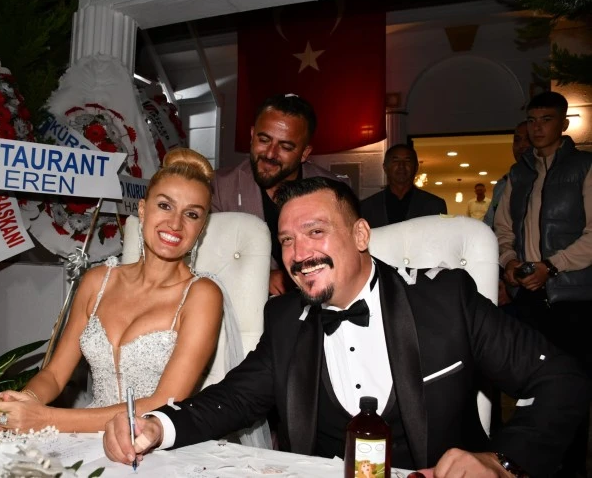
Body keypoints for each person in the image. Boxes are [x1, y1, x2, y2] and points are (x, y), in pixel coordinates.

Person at [103, 176, 590, 477]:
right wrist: (156, 426)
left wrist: (501, 463)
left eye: (316, 232)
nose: (299, 254)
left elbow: (561, 380)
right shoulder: (285, 320)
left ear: (360, 234)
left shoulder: (445, 300)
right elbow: (232, 399)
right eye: (287, 241)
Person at [0, 148, 224, 434]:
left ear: (201, 228)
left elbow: (162, 403)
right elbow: (55, 375)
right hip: (82, 433)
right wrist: (24, 401)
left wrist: (44, 419)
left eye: (191, 214)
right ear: (142, 210)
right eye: (165, 206)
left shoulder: (202, 296)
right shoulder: (98, 282)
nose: (175, 223)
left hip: (148, 442)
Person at [494, 91, 592, 476]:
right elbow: (503, 229)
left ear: (563, 124)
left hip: (572, 298)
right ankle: (528, 466)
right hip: (528, 299)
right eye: (532, 120)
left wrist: (551, 267)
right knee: (527, 389)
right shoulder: (519, 173)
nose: (537, 128)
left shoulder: (584, 166)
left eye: (546, 119)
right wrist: (509, 262)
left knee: (571, 390)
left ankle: (571, 470)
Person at [211, 93, 351, 295]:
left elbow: (346, 258)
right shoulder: (219, 187)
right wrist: (260, 276)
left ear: (304, 153)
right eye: (263, 140)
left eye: (285, 147)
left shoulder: (334, 190)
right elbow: (208, 259)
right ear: (252, 135)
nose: (270, 153)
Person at [360, 144, 447, 228]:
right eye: (395, 161)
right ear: (385, 167)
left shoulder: (434, 205)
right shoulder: (367, 207)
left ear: (416, 167)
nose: (401, 165)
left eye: (407, 161)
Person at [483, 121, 530, 228]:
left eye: (528, 139)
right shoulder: (502, 185)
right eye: (517, 140)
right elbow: (489, 224)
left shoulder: (550, 181)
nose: (521, 145)